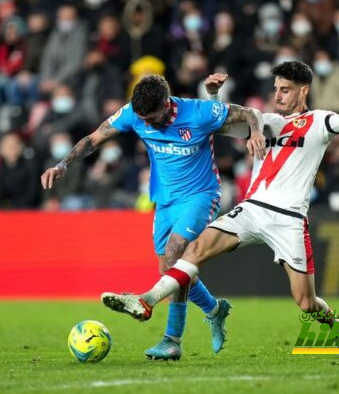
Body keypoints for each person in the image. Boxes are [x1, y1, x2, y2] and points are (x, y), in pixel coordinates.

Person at [100, 62, 339, 347]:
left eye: (285, 90)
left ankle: (338, 328)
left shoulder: (319, 121)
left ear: (304, 91)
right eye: (276, 89)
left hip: (289, 219)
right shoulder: (265, 122)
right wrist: (214, 96)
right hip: (250, 210)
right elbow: (220, 124)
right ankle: (147, 299)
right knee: (195, 250)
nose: (278, 96)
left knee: (305, 301)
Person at [41, 74, 266, 360]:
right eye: (142, 118)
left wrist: (256, 132)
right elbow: (94, 138)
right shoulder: (133, 114)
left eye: (151, 117)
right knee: (168, 271)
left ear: (166, 104)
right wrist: (63, 164)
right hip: (163, 199)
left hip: (200, 195)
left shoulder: (197, 112)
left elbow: (249, 113)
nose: (145, 124)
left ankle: (171, 339)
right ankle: (214, 309)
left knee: (174, 257)